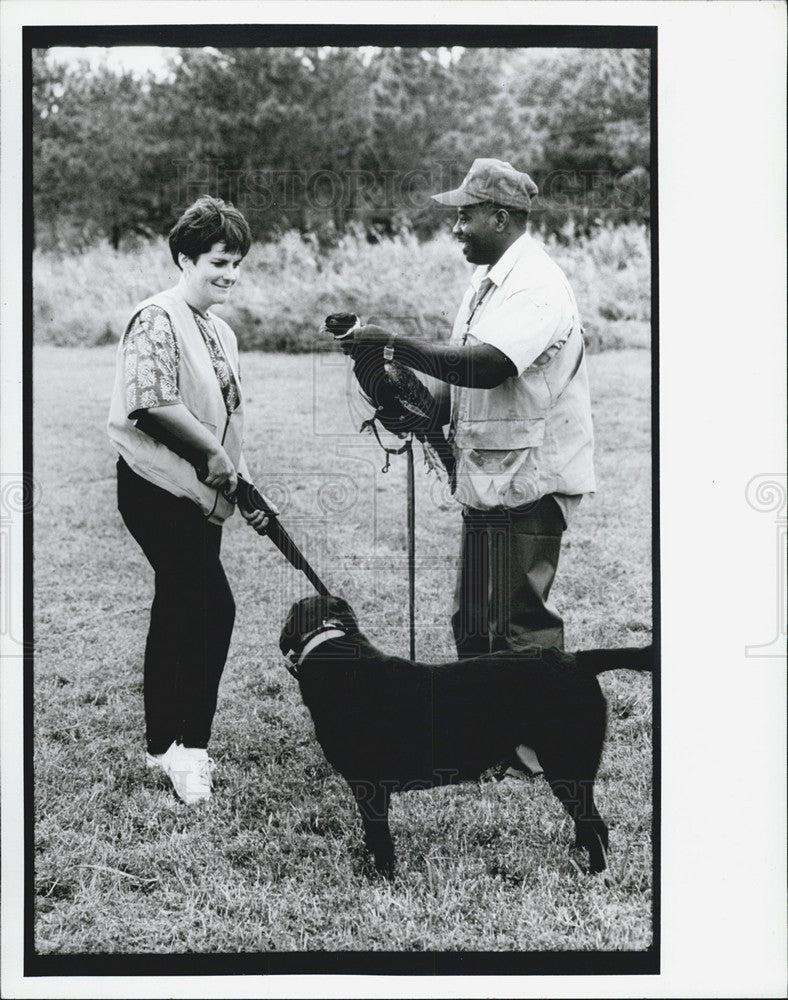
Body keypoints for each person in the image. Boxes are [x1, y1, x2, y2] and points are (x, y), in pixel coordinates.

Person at [342, 158, 595, 777]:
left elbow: (487, 364)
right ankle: (494, 738)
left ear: (501, 218)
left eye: (466, 213)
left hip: (531, 480)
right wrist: (403, 396)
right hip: (490, 478)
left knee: (519, 621)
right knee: (476, 621)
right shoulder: (486, 282)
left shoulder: (536, 284)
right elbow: (460, 382)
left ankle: (544, 743)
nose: (456, 225)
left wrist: (393, 344)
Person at [107, 196, 272, 804]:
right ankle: (191, 753)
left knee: (178, 603)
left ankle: (159, 745)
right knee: (212, 606)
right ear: (184, 258)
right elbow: (149, 404)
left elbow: (224, 424)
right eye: (218, 262)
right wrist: (211, 458)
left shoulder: (220, 330)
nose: (229, 274)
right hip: (154, 488)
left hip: (201, 494)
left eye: (237, 263)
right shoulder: (156, 316)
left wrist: (245, 489)